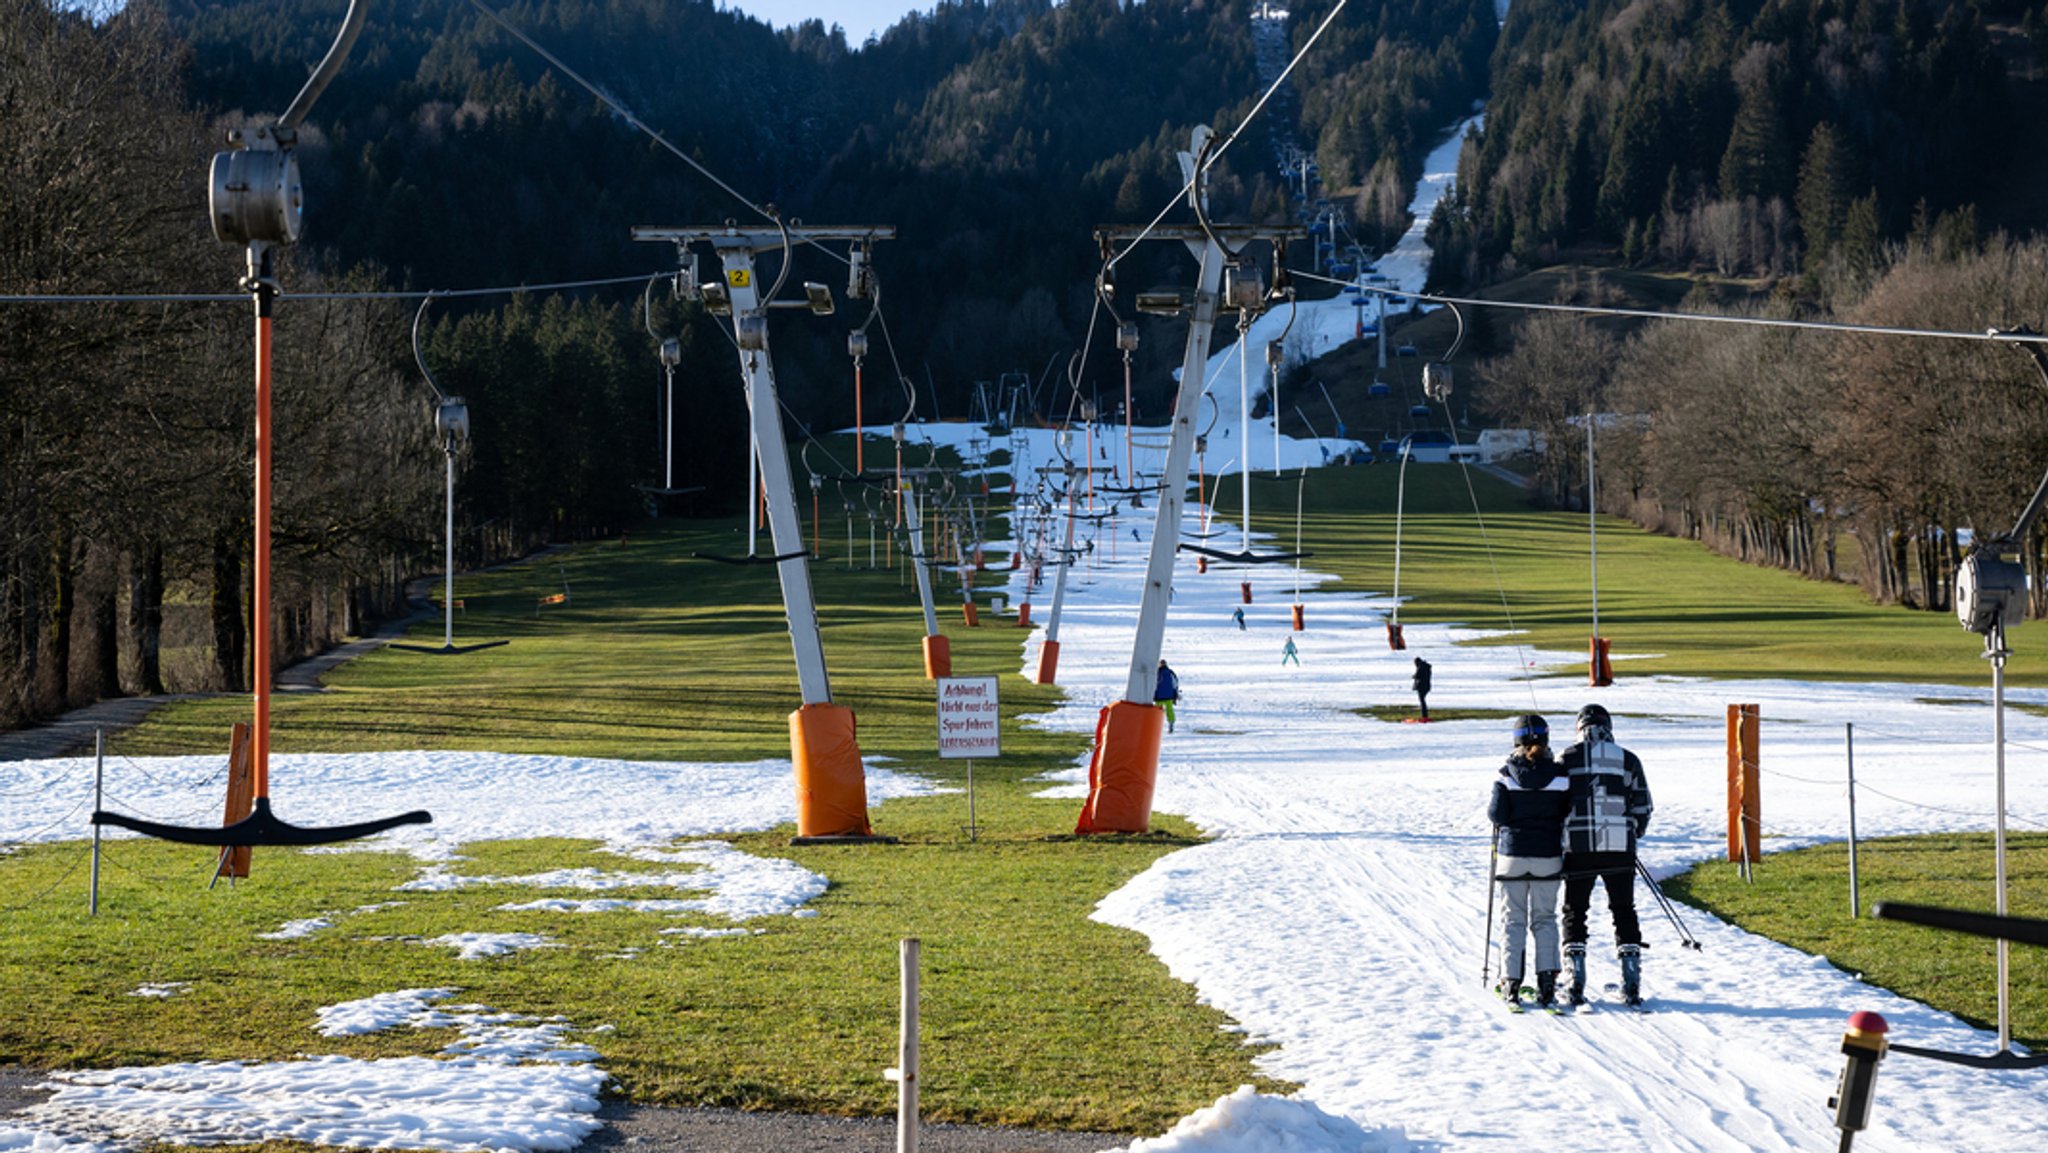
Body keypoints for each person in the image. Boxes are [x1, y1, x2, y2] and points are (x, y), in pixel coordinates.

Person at [1557, 703, 1655, 1007]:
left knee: (1575, 910)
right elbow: (1643, 805)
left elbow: (1555, 803)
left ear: (1579, 728)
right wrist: (1633, 831)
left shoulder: (1565, 759)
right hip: (1620, 848)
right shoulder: (1628, 759)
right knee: (1624, 909)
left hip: (1578, 847)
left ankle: (1575, 980)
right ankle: (1631, 981)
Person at [1488, 714, 1571, 1009]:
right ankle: (1546, 983)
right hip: (1547, 856)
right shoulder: (1561, 775)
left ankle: (1510, 982)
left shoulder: (1505, 774)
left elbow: (1497, 815)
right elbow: (1565, 811)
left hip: (1513, 855)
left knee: (1513, 919)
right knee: (1545, 919)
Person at [1154, 659, 1181, 733]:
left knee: (1157, 710)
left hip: (1158, 696)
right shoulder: (1170, 672)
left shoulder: (1155, 673)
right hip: (1168, 695)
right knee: (1169, 710)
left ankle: (1156, 725)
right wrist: (1175, 693)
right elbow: (1175, 683)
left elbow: (1152, 684)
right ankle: (1171, 723)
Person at [1411, 656, 1432, 721]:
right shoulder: (1427, 667)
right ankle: (1424, 715)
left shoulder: (1421, 667)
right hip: (1427, 686)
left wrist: (1413, 676)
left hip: (1421, 686)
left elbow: (1418, 675)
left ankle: (1424, 716)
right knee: (1422, 701)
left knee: (1422, 701)